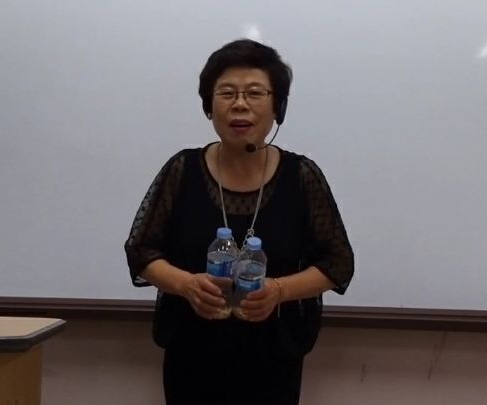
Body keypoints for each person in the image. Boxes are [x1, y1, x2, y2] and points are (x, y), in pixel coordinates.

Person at [124, 38, 354, 405]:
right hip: (192, 353)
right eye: (227, 93)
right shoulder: (182, 170)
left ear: (278, 107)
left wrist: (278, 290)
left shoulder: (301, 176)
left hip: (273, 357)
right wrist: (186, 284)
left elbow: (337, 263)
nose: (240, 104)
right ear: (209, 106)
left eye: (255, 93)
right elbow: (141, 250)